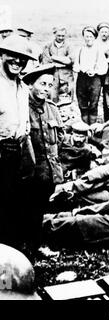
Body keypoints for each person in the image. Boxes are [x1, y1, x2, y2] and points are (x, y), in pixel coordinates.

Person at [22, 63, 65, 254]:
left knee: (40, 209)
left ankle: (36, 245)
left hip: (49, 172)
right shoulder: (22, 108)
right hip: (29, 172)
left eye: (49, 85)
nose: (46, 89)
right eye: (42, 84)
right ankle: (23, 246)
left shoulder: (52, 109)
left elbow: (60, 137)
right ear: (31, 84)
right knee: (25, 209)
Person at [0, 35, 37, 251]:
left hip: (20, 149)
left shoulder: (22, 88)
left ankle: (14, 248)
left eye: (22, 59)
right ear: (1, 55)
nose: (17, 62)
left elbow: (25, 123)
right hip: (1, 149)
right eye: (12, 57)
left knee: (17, 199)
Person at [73, 26, 108, 125]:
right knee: (82, 104)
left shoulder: (98, 50)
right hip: (82, 78)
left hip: (94, 79)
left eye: (90, 37)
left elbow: (103, 66)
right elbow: (75, 65)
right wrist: (80, 69)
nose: (88, 39)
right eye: (86, 36)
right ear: (84, 37)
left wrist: (95, 71)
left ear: (94, 37)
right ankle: (85, 128)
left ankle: (92, 127)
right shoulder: (80, 50)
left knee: (93, 104)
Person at [41, 26, 75, 102]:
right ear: (54, 34)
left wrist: (54, 57)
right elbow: (46, 62)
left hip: (66, 79)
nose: (61, 37)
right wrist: (63, 62)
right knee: (52, 100)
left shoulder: (69, 46)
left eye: (63, 36)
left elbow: (70, 61)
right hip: (52, 77)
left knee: (66, 101)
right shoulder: (48, 46)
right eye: (58, 35)